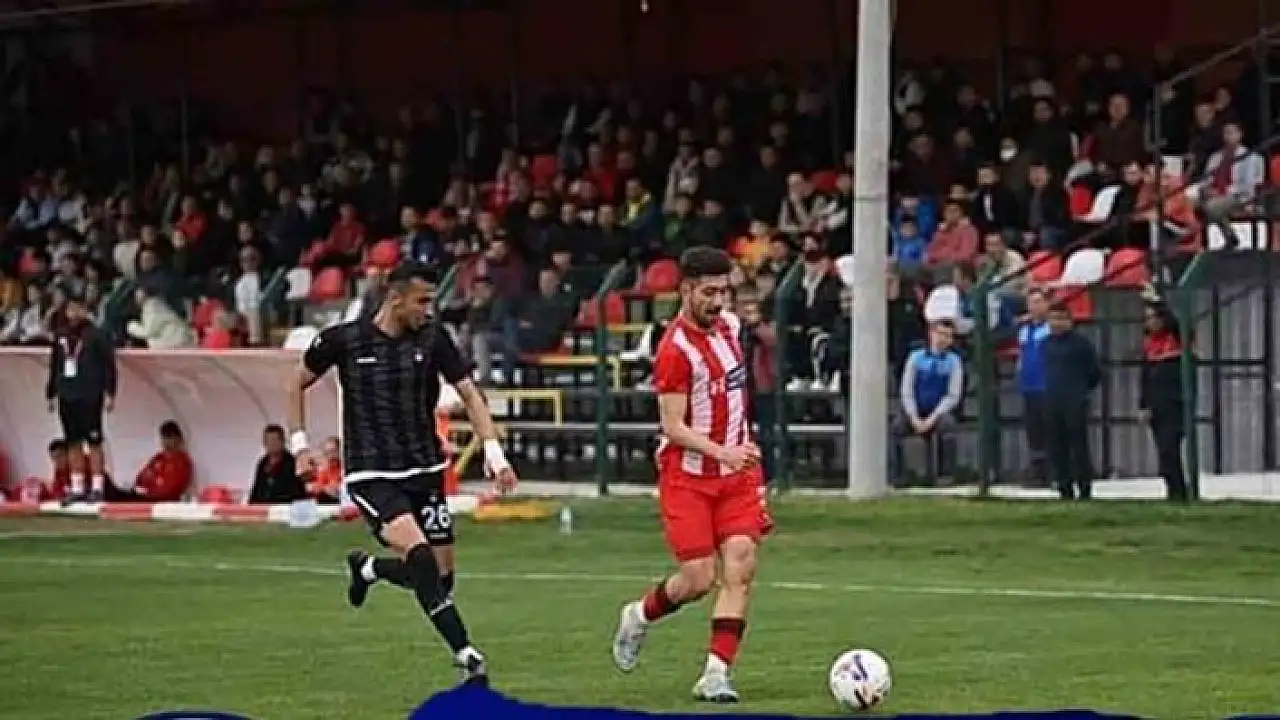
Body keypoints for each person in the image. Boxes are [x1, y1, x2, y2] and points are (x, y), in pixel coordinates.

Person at [286, 260, 517, 687]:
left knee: (441, 579)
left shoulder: (433, 338)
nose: (429, 310)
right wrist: (300, 447)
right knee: (420, 556)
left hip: (425, 469)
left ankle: (369, 569)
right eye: (422, 301)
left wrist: (494, 453)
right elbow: (295, 382)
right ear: (395, 299)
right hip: (372, 473)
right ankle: (467, 654)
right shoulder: (345, 340)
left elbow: (470, 393)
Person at [611, 247, 771, 704]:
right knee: (698, 579)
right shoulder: (674, 351)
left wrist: (739, 446)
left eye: (724, 291)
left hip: (738, 474)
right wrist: (723, 451)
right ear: (685, 290)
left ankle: (716, 674)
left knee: (740, 566)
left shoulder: (731, 327)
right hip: (689, 478)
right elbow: (672, 425)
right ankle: (639, 615)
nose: (719, 301)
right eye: (709, 292)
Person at [44, 291, 116, 503]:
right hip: (67, 393)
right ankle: (77, 488)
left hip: (90, 393)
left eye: (78, 309)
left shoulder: (97, 335)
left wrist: (110, 391)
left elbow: (109, 365)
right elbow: (55, 365)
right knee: (72, 442)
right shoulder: (61, 336)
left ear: (85, 310)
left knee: (93, 441)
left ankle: (97, 487)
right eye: (70, 309)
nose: (73, 313)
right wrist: (51, 393)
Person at [888, 320, 963, 485]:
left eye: (948, 336)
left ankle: (946, 475)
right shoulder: (916, 357)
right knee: (896, 427)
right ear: (931, 334)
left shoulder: (954, 361)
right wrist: (914, 417)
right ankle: (897, 475)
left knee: (948, 426)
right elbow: (907, 390)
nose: (943, 339)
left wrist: (932, 418)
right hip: (916, 408)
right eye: (940, 334)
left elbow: (952, 395)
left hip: (938, 411)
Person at [1042, 302, 1102, 500]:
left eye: (1061, 319)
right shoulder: (1046, 344)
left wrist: (1081, 390)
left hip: (1075, 400)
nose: (1057, 323)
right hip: (1052, 399)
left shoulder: (1081, 344)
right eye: (1053, 319)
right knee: (1057, 446)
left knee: (1078, 445)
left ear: (1070, 321)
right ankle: (1064, 487)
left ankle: (1084, 487)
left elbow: (1094, 372)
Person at [1139, 301, 1189, 502]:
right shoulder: (1149, 345)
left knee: (1170, 448)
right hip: (1156, 406)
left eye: (1155, 317)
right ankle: (1173, 490)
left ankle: (1180, 491)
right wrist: (1143, 405)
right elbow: (1144, 379)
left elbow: (1179, 325)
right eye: (1147, 318)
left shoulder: (1175, 340)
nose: (1151, 322)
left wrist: (1156, 297)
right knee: (1163, 452)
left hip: (1175, 404)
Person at [108, 421, 194, 502]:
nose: (166, 441)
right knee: (116, 492)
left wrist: (152, 484)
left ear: (179, 439)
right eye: (164, 437)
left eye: (170, 437)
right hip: (146, 495)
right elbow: (140, 479)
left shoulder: (182, 461)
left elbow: (171, 489)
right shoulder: (159, 458)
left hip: (162, 501)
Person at [1016, 289, 1052, 485]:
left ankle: (1052, 470)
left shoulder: (1050, 329)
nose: (1034, 307)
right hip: (1028, 387)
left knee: (1049, 429)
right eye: (1031, 302)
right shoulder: (1024, 330)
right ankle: (1037, 470)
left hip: (1047, 387)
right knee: (1033, 431)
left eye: (1039, 302)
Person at [249, 424, 306, 504]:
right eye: (267, 441)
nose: (270, 444)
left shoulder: (293, 463)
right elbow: (256, 489)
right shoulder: (262, 463)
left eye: (274, 440)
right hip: (263, 507)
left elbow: (296, 492)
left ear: (283, 441)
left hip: (285, 507)